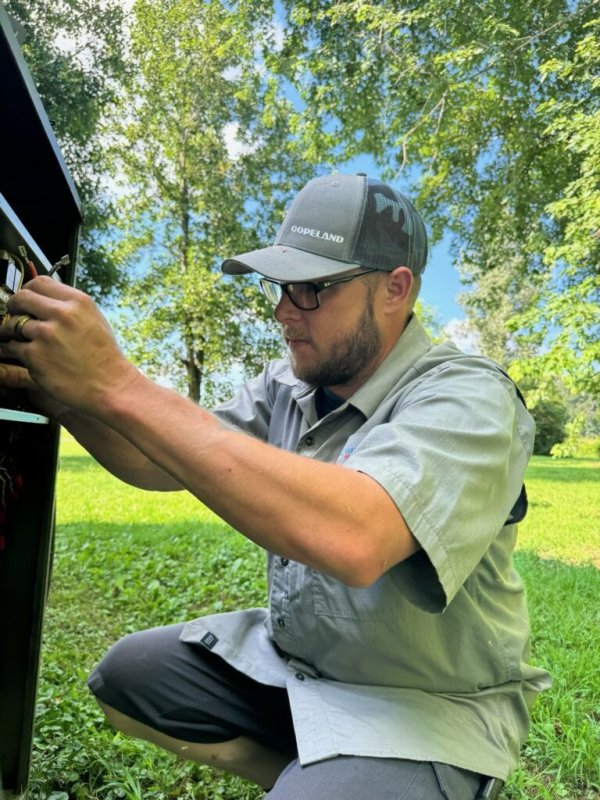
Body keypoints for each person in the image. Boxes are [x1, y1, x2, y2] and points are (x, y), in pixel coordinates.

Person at [0, 174, 550, 799]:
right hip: (303, 672)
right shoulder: (286, 387)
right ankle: (311, 773)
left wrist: (118, 383)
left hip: (428, 708)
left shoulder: (468, 394)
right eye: (282, 286)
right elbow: (157, 460)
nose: (283, 311)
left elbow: (358, 536)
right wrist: (63, 393)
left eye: (313, 288)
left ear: (396, 289)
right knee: (130, 679)